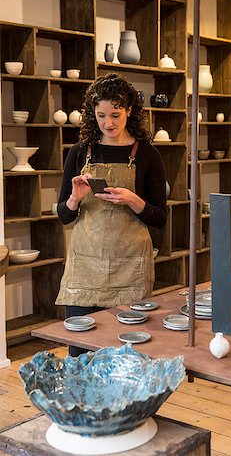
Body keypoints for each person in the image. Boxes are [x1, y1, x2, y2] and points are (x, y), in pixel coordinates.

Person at [56, 73, 167, 355]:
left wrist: (132, 199)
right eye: (102, 115)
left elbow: (160, 217)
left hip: (129, 268)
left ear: (130, 110)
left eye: (116, 115)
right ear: (93, 113)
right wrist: (74, 199)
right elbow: (64, 216)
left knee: (126, 353)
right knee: (80, 352)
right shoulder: (80, 153)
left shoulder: (147, 155)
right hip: (85, 267)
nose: (109, 123)